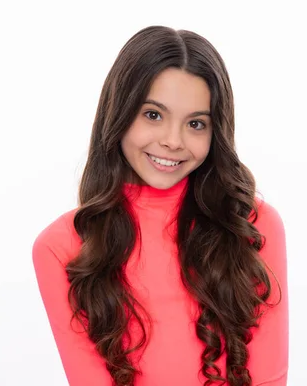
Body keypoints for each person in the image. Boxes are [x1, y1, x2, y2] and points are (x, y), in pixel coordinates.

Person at [32, 25, 289, 386]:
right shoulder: (63, 247)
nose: (172, 141)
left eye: (196, 123)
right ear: (118, 113)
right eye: (153, 115)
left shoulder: (253, 226)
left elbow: (268, 377)